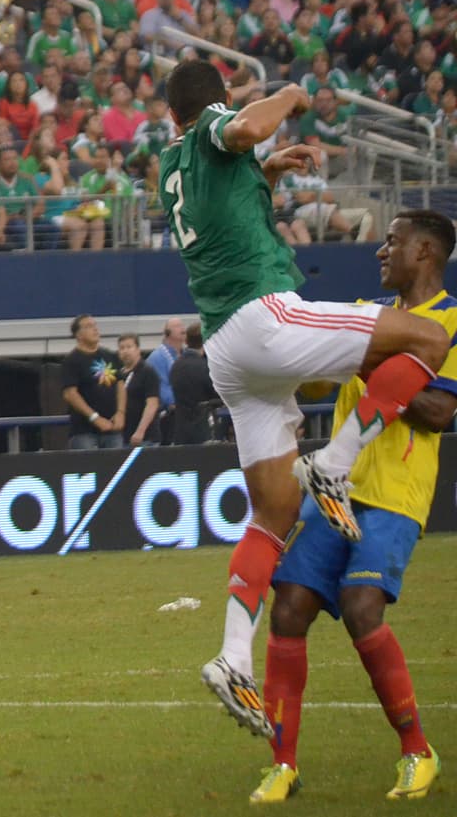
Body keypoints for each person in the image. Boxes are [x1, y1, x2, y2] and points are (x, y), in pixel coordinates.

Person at [159, 60, 449, 737]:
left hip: (228, 349)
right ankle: (337, 461)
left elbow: (225, 195)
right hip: (265, 317)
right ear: (218, 99)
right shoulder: (215, 125)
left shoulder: (172, 162)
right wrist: (291, 92)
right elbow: (247, 126)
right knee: (429, 337)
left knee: (272, 512)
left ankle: (233, 657)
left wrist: (267, 175)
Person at [253, 210, 454, 803]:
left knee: (361, 605)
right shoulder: (368, 314)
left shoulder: (448, 322)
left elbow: (441, 413)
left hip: (394, 493)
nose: (380, 252)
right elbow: (316, 384)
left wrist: (367, 359)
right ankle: (282, 767)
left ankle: (418, 753)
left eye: (391, 242)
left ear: (423, 251)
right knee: (288, 607)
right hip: (331, 494)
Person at [61, 314, 125, 450]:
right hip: (84, 431)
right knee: (89, 468)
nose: (95, 330)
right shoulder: (72, 361)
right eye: (89, 327)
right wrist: (94, 418)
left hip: (113, 428)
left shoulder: (110, 356)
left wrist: (120, 412)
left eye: (95, 326)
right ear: (78, 334)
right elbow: (70, 394)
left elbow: (120, 385)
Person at [169, 322, 217, 444]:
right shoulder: (205, 367)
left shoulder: (176, 366)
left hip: (180, 431)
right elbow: (215, 393)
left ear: (186, 341)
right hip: (202, 430)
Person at [146, 317, 186, 442]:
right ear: (168, 333)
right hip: (168, 417)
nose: (183, 328)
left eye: (182, 325)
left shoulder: (185, 354)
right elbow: (161, 388)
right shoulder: (157, 357)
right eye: (177, 326)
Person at [117, 333, 160, 446]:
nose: (125, 351)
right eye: (122, 348)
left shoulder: (147, 371)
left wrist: (140, 431)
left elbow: (152, 404)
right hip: (123, 436)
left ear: (137, 349)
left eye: (129, 347)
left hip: (145, 438)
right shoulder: (119, 374)